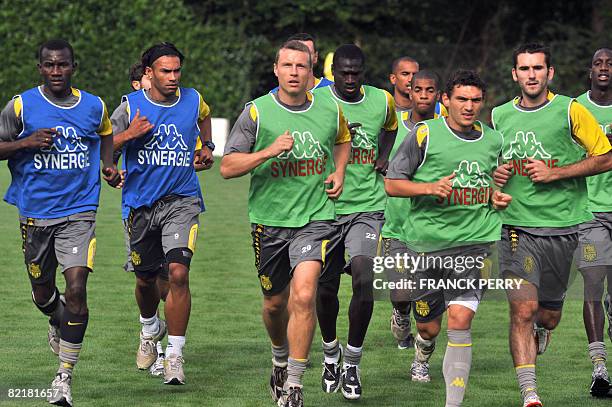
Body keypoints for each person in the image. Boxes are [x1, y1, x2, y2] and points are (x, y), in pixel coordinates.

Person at [220, 40, 351, 407]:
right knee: (275, 304)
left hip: (316, 218)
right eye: (287, 65)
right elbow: (228, 167)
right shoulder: (257, 113)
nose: (294, 72)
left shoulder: (329, 107)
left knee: (305, 294)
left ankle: (294, 384)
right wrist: (268, 151)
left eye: (302, 66)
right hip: (269, 221)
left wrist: (339, 171)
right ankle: (279, 356)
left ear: (312, 72)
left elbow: (343, 140)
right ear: (276, 70)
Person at [0, 39, 120, 407]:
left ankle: (64, 376)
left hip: (80, 211)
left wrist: (108, 165)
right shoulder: (20, 105)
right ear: (40, 68)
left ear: (73, 66)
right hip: (35, 214)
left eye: (63, 65)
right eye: (49, 65)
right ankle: (56, 318)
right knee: (41, 292)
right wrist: (26, 143)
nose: (56, 71)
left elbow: (106, 134)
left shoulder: (94, 105)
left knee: (78, 287)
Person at [492, 43, 612, 407]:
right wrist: (494, 177)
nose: (531, 75)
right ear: (515, 74)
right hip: (515, 227)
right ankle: (530, 394)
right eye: (524, 69)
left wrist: (555, 173)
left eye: (537, 69)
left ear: (550, 73)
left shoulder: (570, 111)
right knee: (522, 310)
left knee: (548, 315)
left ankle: (544, 328)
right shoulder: (498, 116)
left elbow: (605, 157)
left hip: (562, 229)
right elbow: (489, 163)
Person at [386, 69, 511, 406]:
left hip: (475, 242)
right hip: (425, 246)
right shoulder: (425, 134)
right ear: (446, 100)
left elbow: (492, 181)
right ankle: (422, 349)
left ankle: (452, 403)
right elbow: (393, 183)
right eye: (461, 99)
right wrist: (429, 188)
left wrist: (496, 195)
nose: (468, 107)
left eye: (475, 100)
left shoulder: (493, 140)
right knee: (429, 328)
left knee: (460, 320)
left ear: (483, 103)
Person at [111, 42, 214, 385]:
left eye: (176, 71)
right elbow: (103, 143)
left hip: (182, 201)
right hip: (140, 206)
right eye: (165, 71)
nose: (173, 78)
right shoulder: (130, 106)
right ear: (148, 73)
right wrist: (128, 135)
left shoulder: (192, 99)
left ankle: (174, 355)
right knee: (145, 279)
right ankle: (148, 328)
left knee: (177, 274)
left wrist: (206, 147)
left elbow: (204, 117)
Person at [313, 43, 397, 401]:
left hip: (368, 208)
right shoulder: (317, 102)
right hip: (323, 209)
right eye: (343, 73)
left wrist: (383, 154)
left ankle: (352, 361)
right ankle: (330, 353)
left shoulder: (382, 100)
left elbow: (392, 128)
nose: (349, 79)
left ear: (364, 72)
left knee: (364, 278)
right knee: (326, 288)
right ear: (333, 73)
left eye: (355, 73)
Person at [382, 69, 443, 361]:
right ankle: (399, 312)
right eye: (418, 90)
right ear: (410, 91)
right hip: (398, 225)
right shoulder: (396, 129)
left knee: (430, 299)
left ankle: (422, 359)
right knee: (401, 291)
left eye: (429, 91)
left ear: (438, 95)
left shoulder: (446, 130)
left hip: (436, 228)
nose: (423, 96)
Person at [575, 47, 612, 397]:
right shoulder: (574, 109)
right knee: (592, 283)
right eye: (598, 63)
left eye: (609, 64)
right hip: (588, 212)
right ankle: (599, 369)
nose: (603, 68)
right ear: (590, 71)